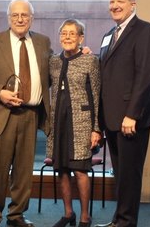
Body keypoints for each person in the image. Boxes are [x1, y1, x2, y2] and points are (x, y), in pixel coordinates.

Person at [0, 0, 53, 227]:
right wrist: (0, 93)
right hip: (0, 114)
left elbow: (55, 70)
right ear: (8, 18)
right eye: (15, 15)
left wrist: (80, 51)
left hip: (30, 115)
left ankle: (16, 215)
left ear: (32, 18)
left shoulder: (43, 42)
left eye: (25, 15)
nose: (20, 19)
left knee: (23, 172)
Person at [95, 0, 150, 227]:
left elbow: (145, 75)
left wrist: (132, 114)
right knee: (121, 175)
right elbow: (107, 72)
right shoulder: (109, 35)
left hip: (131, 119)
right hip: (112, 117)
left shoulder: (145, 31)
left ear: (133, 4)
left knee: (130, 176)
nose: (114, 6)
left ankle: (126, 223)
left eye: (119, 2)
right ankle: (119, 221)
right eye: (111, 2)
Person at [46, 19, 102, 227]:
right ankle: (68, 213)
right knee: (61, 169)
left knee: (80, 170)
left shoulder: (90, 61)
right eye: (64, 33)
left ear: (81, 38)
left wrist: (97, 128)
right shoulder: (53, 61)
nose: (67, 37)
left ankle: (85, 216)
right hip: (58, 121)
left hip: (81, 123)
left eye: (72, 33)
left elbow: (96, 95)